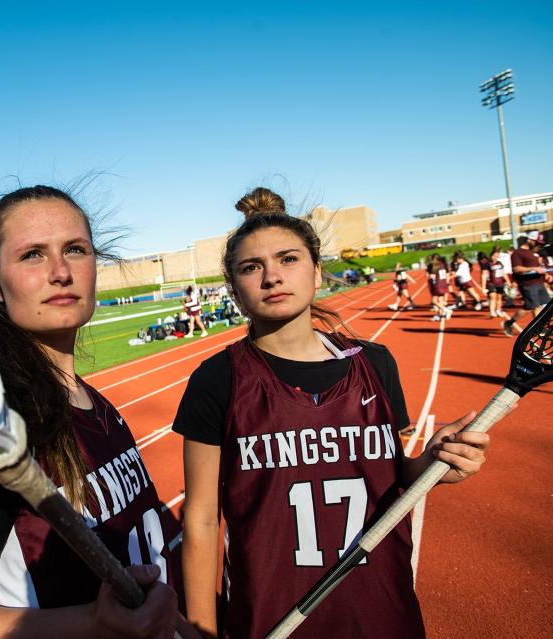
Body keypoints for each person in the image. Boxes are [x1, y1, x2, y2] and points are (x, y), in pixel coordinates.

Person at [174, 187, 491, 639]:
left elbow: (391, 474)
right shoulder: (217, 379)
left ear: (317, 272)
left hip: (379, 602)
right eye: (251, 267)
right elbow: (202, 519)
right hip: (270, 613)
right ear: (235, 289)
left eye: (288, 259)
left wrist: (434, 465)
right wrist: (200, 631)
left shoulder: (375, 363)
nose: (272, 278)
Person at [0, 185, 191, 639]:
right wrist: (93, 623)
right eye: (32, 255)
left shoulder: (91, 400)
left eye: (75, 249)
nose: (61, 272)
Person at [503, 231, 551, 337]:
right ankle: (509, 323)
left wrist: (545, 275)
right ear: (530, 240)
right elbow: (516, 269)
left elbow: (538, 269)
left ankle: (539, 327)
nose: (539, 245)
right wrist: (535, 268)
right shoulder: (517, 253)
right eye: (537, 243)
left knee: (543, 305)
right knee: (530, 307)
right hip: (528, 284)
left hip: (539, 283)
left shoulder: (533, 253)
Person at [482, 247, 511, 319]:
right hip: (491, 283)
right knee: (492, 296)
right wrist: (483, 286)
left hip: (500, 282)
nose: (495, 258)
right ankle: (492, 311)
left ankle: (498, 310)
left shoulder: (499, 263)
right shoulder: (487, 264)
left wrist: (508, 281)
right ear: (491, 256)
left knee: (499, 297)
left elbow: (503, 273)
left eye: (497, 256)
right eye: (494, 256)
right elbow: (484, 274)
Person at [428, 255, 453, 321]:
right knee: (441, 300)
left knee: (434, 301)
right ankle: (440, 314)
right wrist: (447, 283)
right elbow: (447, 274)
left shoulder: (435, 266)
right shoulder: (443, 265)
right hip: (443, 284)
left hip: (437, 285)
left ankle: (447, 310)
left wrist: (431, 286)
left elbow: (432, 277)